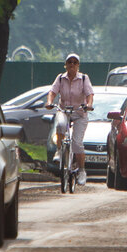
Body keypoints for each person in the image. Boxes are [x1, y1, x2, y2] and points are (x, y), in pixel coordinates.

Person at [46, 53, 94, 185]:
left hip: (79, 113)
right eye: (69, 62)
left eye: (74, 62)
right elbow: (52, 92)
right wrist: (49, 102)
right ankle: (60, 150)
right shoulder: (61, 78)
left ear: (78, 65)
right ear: (65, 65)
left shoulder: (84, 78)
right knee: (60, 124)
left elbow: (90, 94)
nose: (72, 65)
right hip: (64, 110)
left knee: (77, 143)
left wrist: (88, 105)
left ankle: (82, 170)